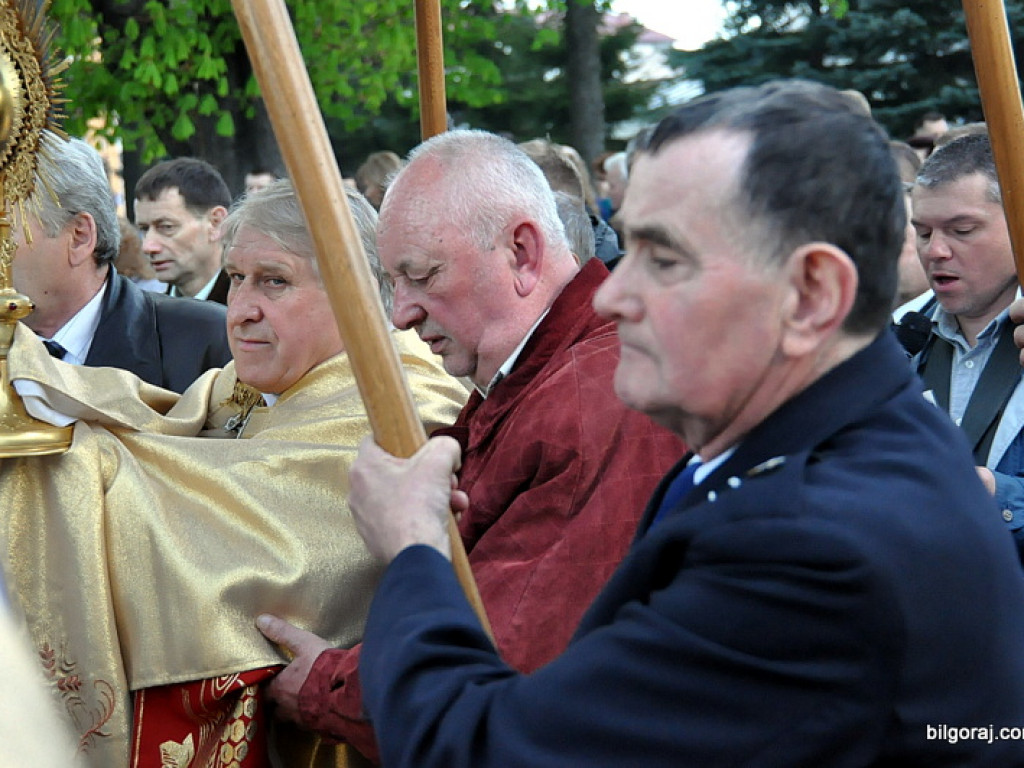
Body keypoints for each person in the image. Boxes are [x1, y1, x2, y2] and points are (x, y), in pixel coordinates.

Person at [335, 80, 1024, 766]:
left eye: (664, 259)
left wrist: (414, 551)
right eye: (629, 249)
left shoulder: (812, 547)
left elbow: (487, 752)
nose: (613, 291)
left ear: (812, 294)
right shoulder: (843, 445)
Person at [0, 179, 468, 768]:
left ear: (355, 290)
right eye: (237, 278)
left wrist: (67, 468)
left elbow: (242, 519)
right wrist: (22, 372)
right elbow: (156, 422)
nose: (241, 308)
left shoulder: (400, 401)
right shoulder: (254, 381)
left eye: (275, 280)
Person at [257, 130, 684, 761]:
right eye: (393, 282)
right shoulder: (534, 373)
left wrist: (330, 684)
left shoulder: (593, 397)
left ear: (521, 251)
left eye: (423, 275)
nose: (401, 313)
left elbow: (500, 683)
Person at [11, 135, 230, 393]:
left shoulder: (208, 342)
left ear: (80, 237)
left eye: (5, 229)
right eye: (145, 229)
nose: (149, 245)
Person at [902, 131, 1024, 556]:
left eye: (962, 229)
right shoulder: (893, 340)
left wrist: (999, 497)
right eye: (922, 233)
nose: (935, 251)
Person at [133, 157, 233, 303]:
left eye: (167, 227)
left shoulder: (256, 314)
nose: (148, 247)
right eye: (144, 229)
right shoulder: (145, 317)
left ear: (216, 223)